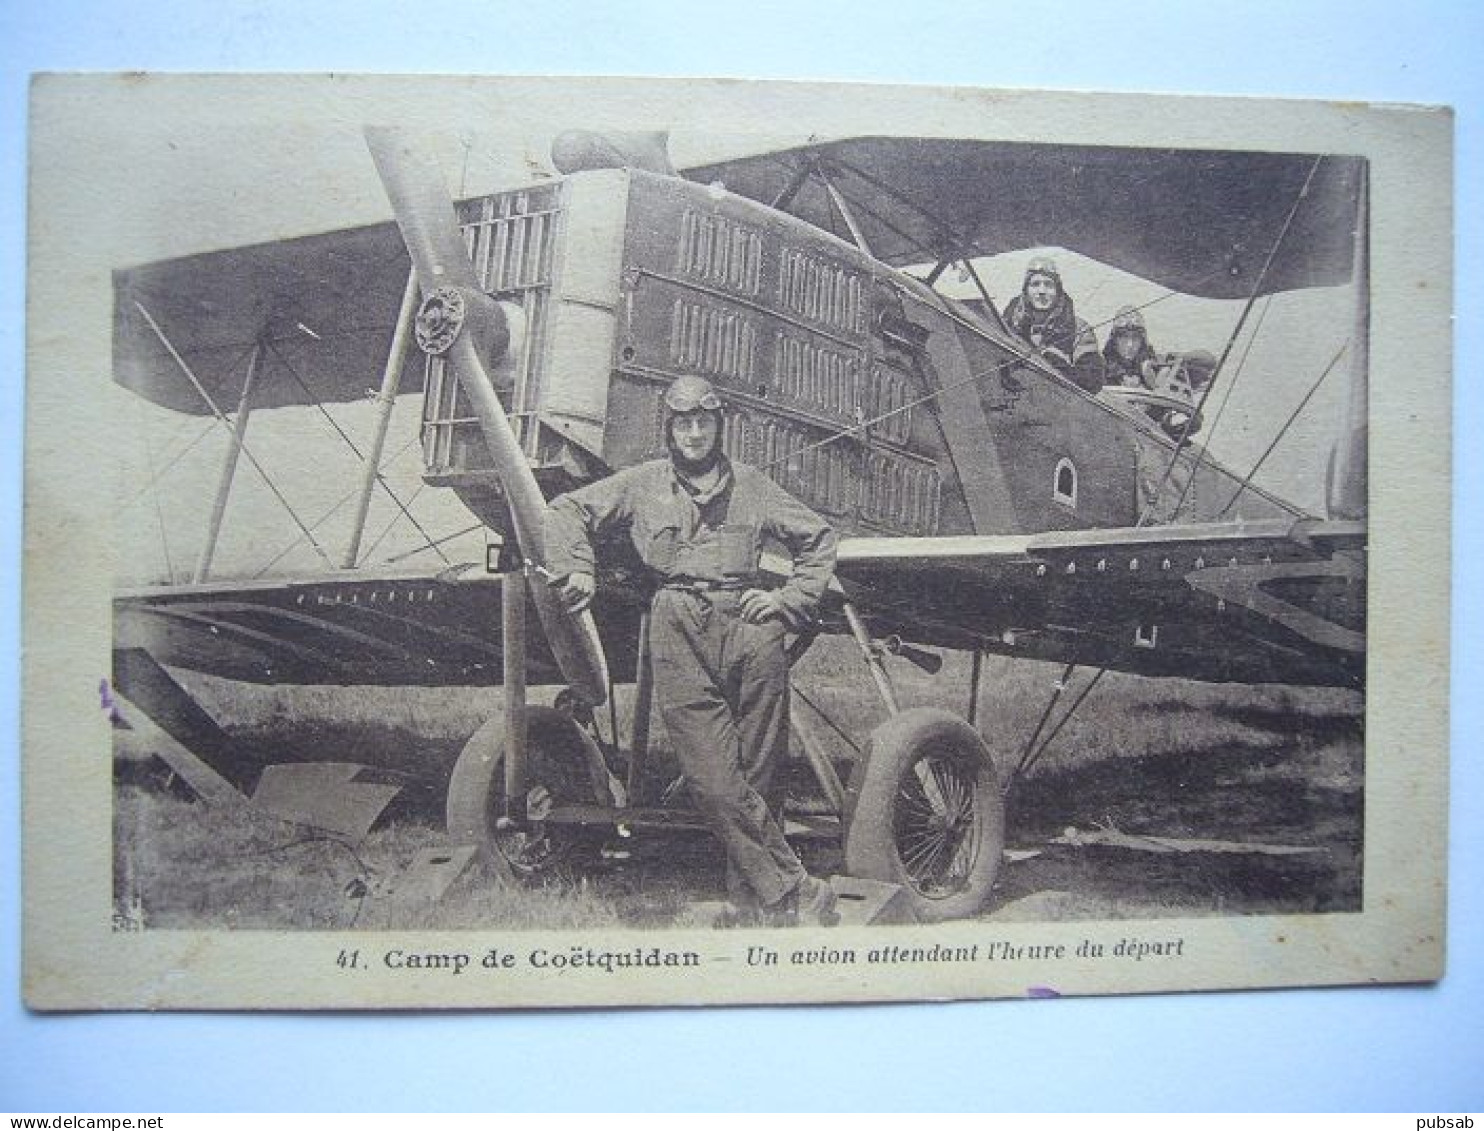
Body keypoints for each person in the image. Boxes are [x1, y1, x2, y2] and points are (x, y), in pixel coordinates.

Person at [544, 375, 840, 926]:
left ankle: (757, 904)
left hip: (752, 628)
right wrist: (577, 570)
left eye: (704, 422)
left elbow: (819, 538)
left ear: (718, 426)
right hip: (677, 624)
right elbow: (566, 510)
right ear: (671, 428)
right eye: (684, 423)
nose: (696, 433)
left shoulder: (753, 485)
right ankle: (795, 887)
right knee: (709, 777)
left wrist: (788, 599)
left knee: (760, 773)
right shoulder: (642, 483)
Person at [1002, 256, 1104, 393]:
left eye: (1048, 285)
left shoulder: (1079, 328)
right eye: (1035, 284)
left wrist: (1053, 360)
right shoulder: (1008, 323)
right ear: (1026, 290)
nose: (1042, 291)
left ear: (1058, 291)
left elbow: (1093, 381)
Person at [1102, 305, 1161, 389]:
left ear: (1142, 342)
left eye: (1135, 338)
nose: (1130, 345)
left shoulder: (1153, 367)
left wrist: (1151, 382)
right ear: (1114, 340)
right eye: (1124, 337)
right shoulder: (1101, 367)